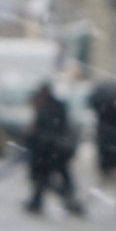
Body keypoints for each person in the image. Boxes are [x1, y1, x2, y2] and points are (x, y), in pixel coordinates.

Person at [23, 83, 84, 217]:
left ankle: (43, 202)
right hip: (57, 150)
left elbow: (44, 129)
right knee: (56, 177)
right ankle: (67, 200)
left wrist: (33, 138)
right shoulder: (56, 106)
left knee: (44, 178)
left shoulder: (45, 108)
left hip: (48, 150)